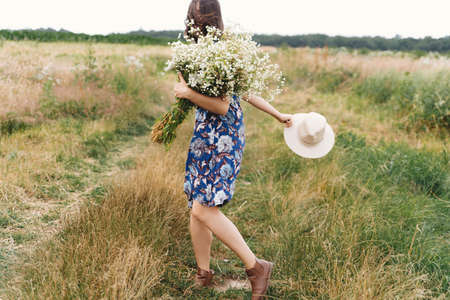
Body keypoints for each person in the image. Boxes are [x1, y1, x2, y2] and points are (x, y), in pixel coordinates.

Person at [174, 0, 293, 298]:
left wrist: (187, 93)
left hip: (220, 138)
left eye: (200, 16)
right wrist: (277, 114)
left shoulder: (222, 51)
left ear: (203, 19)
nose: (197, 20)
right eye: (196, 15)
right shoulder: (207, 52)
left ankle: (256, 266)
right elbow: (245, 89)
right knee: (197, 206)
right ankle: (204, 273)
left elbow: (224, 105)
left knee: (204, 206)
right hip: (206, 134)